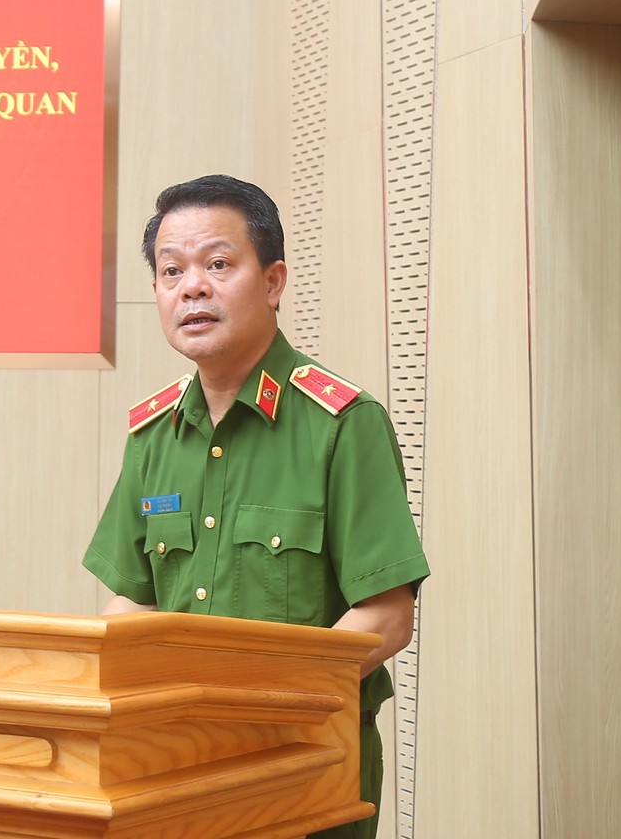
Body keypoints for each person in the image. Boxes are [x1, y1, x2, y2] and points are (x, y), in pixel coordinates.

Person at [82, 174, 428, 839]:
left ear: (272, 282)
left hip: (302, 765)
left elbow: (386, 617)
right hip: (175, 764)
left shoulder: (340, 424)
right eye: (171, 271)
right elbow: (133, 601)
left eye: (217, 264)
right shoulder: (153, 435)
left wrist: (254, 710)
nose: (192, 288)